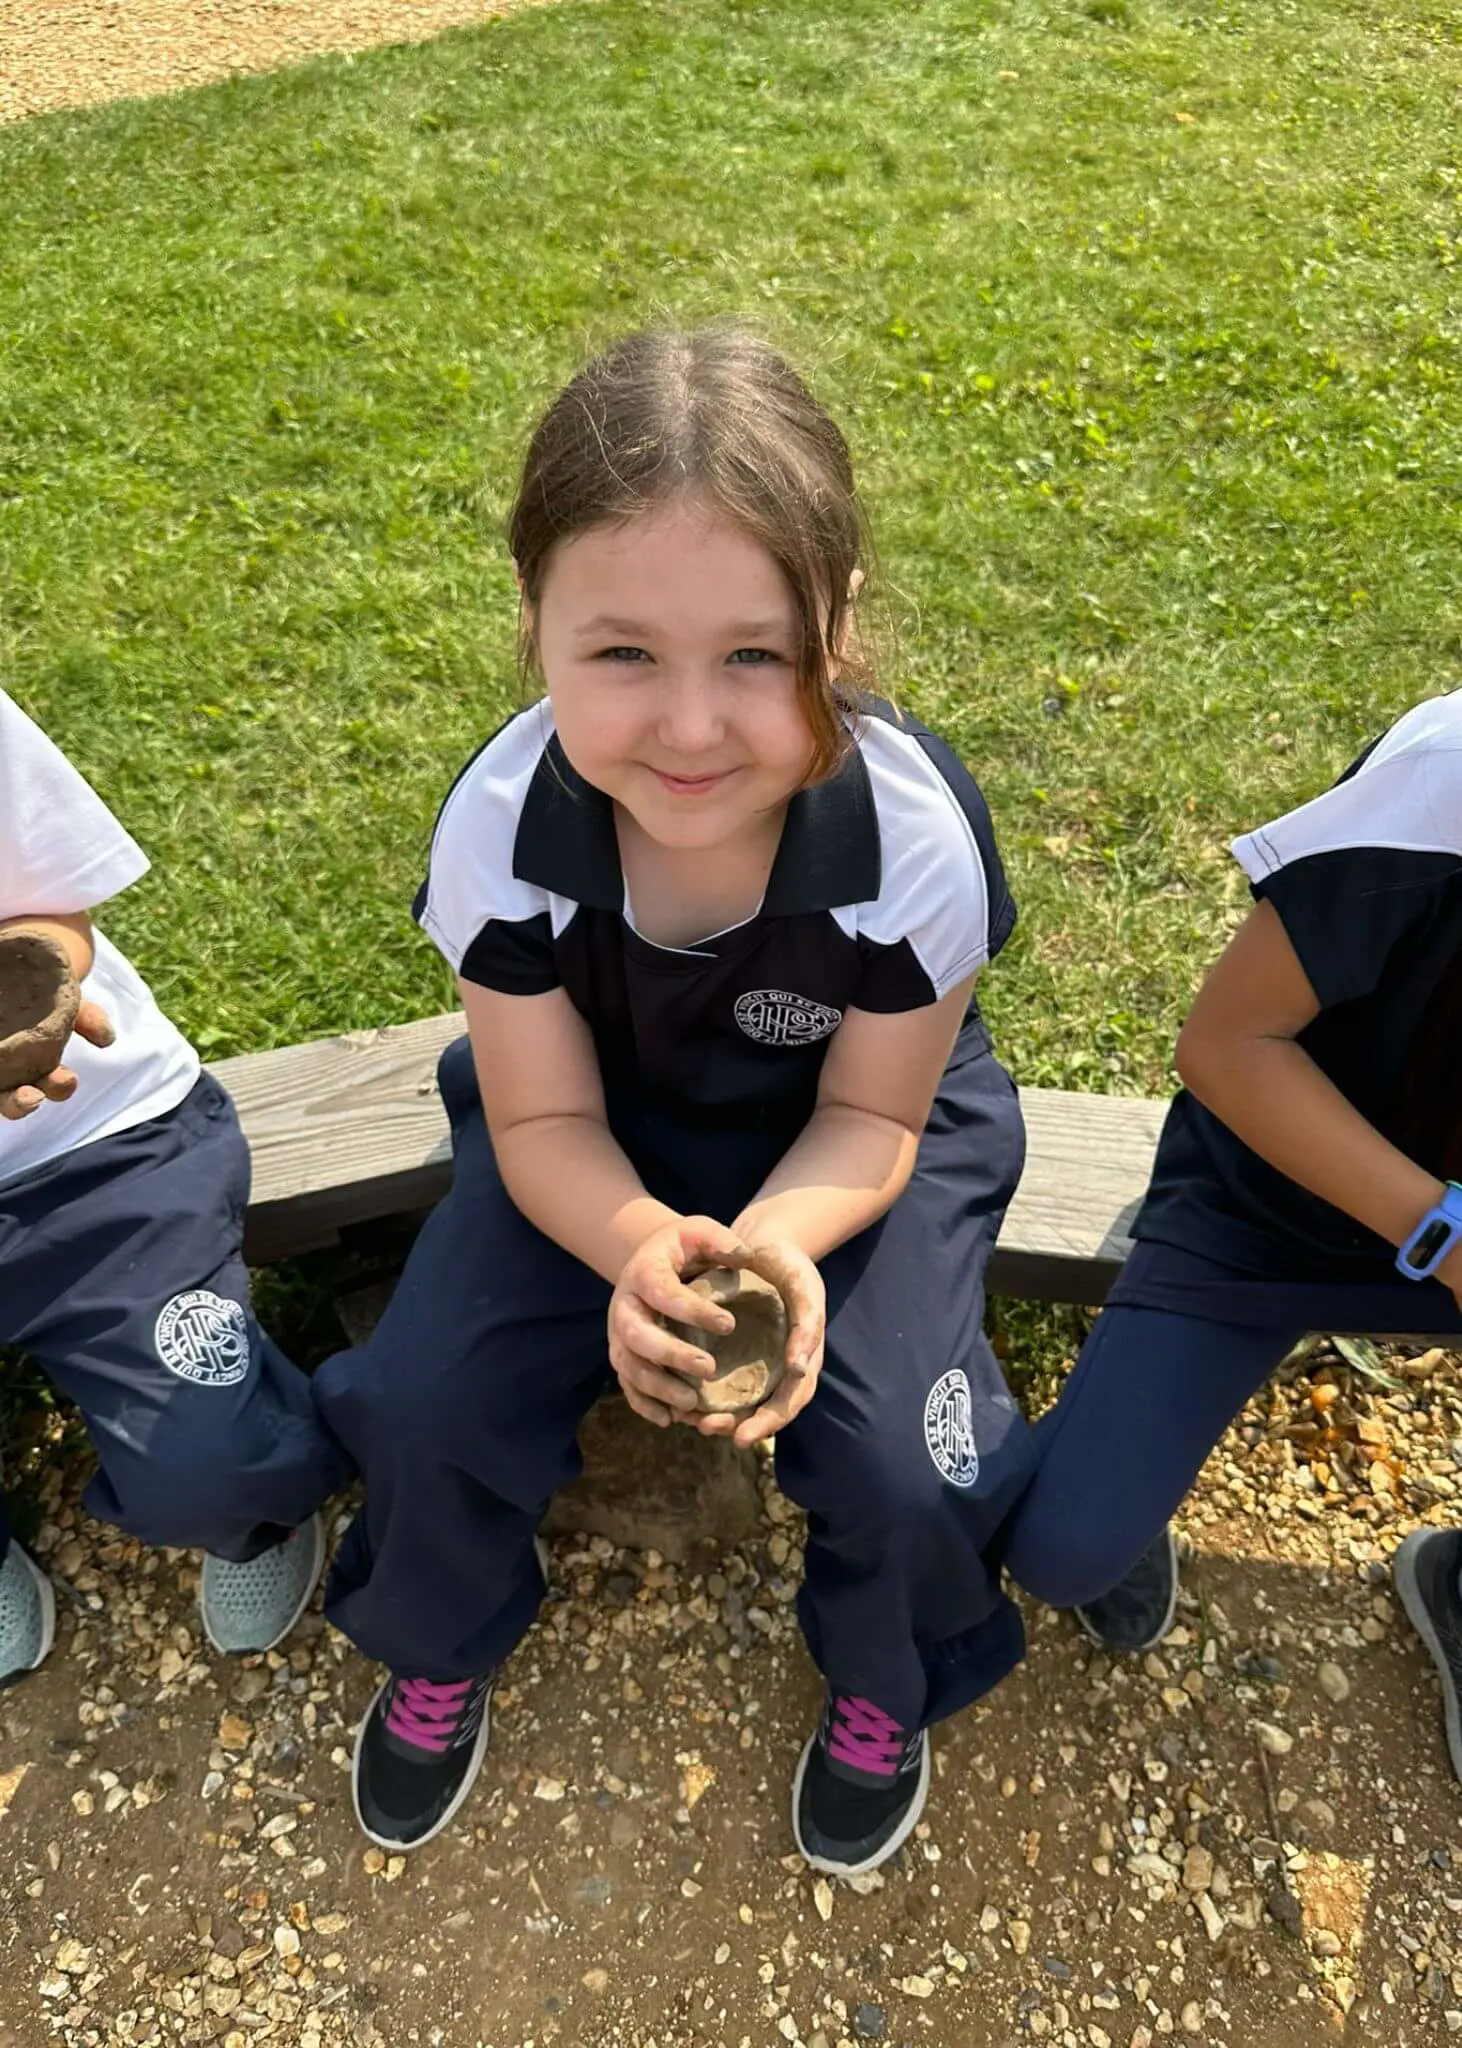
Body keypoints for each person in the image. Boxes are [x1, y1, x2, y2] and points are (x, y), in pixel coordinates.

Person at [314, 325, 1034, 1871]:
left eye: (754, 655)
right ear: (534, 623)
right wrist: (640, 1247)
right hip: (592, 1128)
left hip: (851, 1139)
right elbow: (540, 1127)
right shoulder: (503, 827)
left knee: (911, 1455)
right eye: (622, 653)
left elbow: (878, 1121)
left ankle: (883, 1679)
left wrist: (772, 1247)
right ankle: (438, 1635)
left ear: (835, 625)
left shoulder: (912, 840)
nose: (692, 728)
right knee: (426, 1394)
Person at [996, 692, 1462, 1767]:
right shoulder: (1439, 780)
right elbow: (1223, 1045)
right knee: (1062, 1549)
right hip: (1272, 1206)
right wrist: (1437, 1233)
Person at [0, 689, 350, 1680]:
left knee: (215, 1460)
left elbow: (48, 904)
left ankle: (257, 1517)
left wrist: (38, 998)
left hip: (96, 1147)